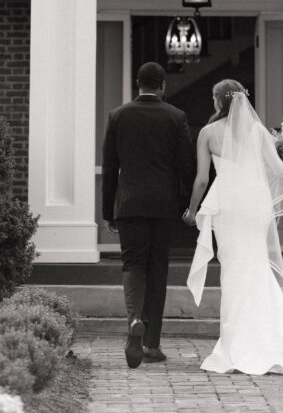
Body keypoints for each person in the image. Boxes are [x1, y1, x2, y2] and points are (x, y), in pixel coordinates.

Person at [183, 79, 283, 377]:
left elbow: (201, 179)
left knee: (234, 270)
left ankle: (236, 345)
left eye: (213, 98)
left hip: (228, 206)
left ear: (218, 100)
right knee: (256, 266)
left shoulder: (208, 133)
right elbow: (278, 171)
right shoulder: (258, 131)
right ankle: (274, 341)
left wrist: (192, 209)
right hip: (255, 205)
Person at [102, 61, 195, 369]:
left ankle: (133, 321)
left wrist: (108, 211)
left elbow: (111, 168)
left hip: (129, 205)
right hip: (163, 206)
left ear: (137, 84)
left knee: (133, 264)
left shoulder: (118, 116)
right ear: (163, 85)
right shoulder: (176, 117)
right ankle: (152, 344)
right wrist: (185, 203)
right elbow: (187, 166)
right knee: (158, 270)